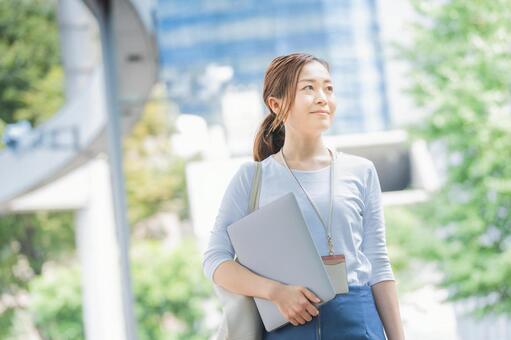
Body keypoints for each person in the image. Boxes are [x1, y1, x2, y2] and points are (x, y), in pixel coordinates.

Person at [202, 52, 405, 340]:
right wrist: (275, 292)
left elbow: (379, 266)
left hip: (359, 324)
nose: (322, 97)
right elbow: (215, 260)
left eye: (328, 88)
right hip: (288, 326)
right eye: (308, 88)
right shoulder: (252, 178)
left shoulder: (361, 171)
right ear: (276, 104)